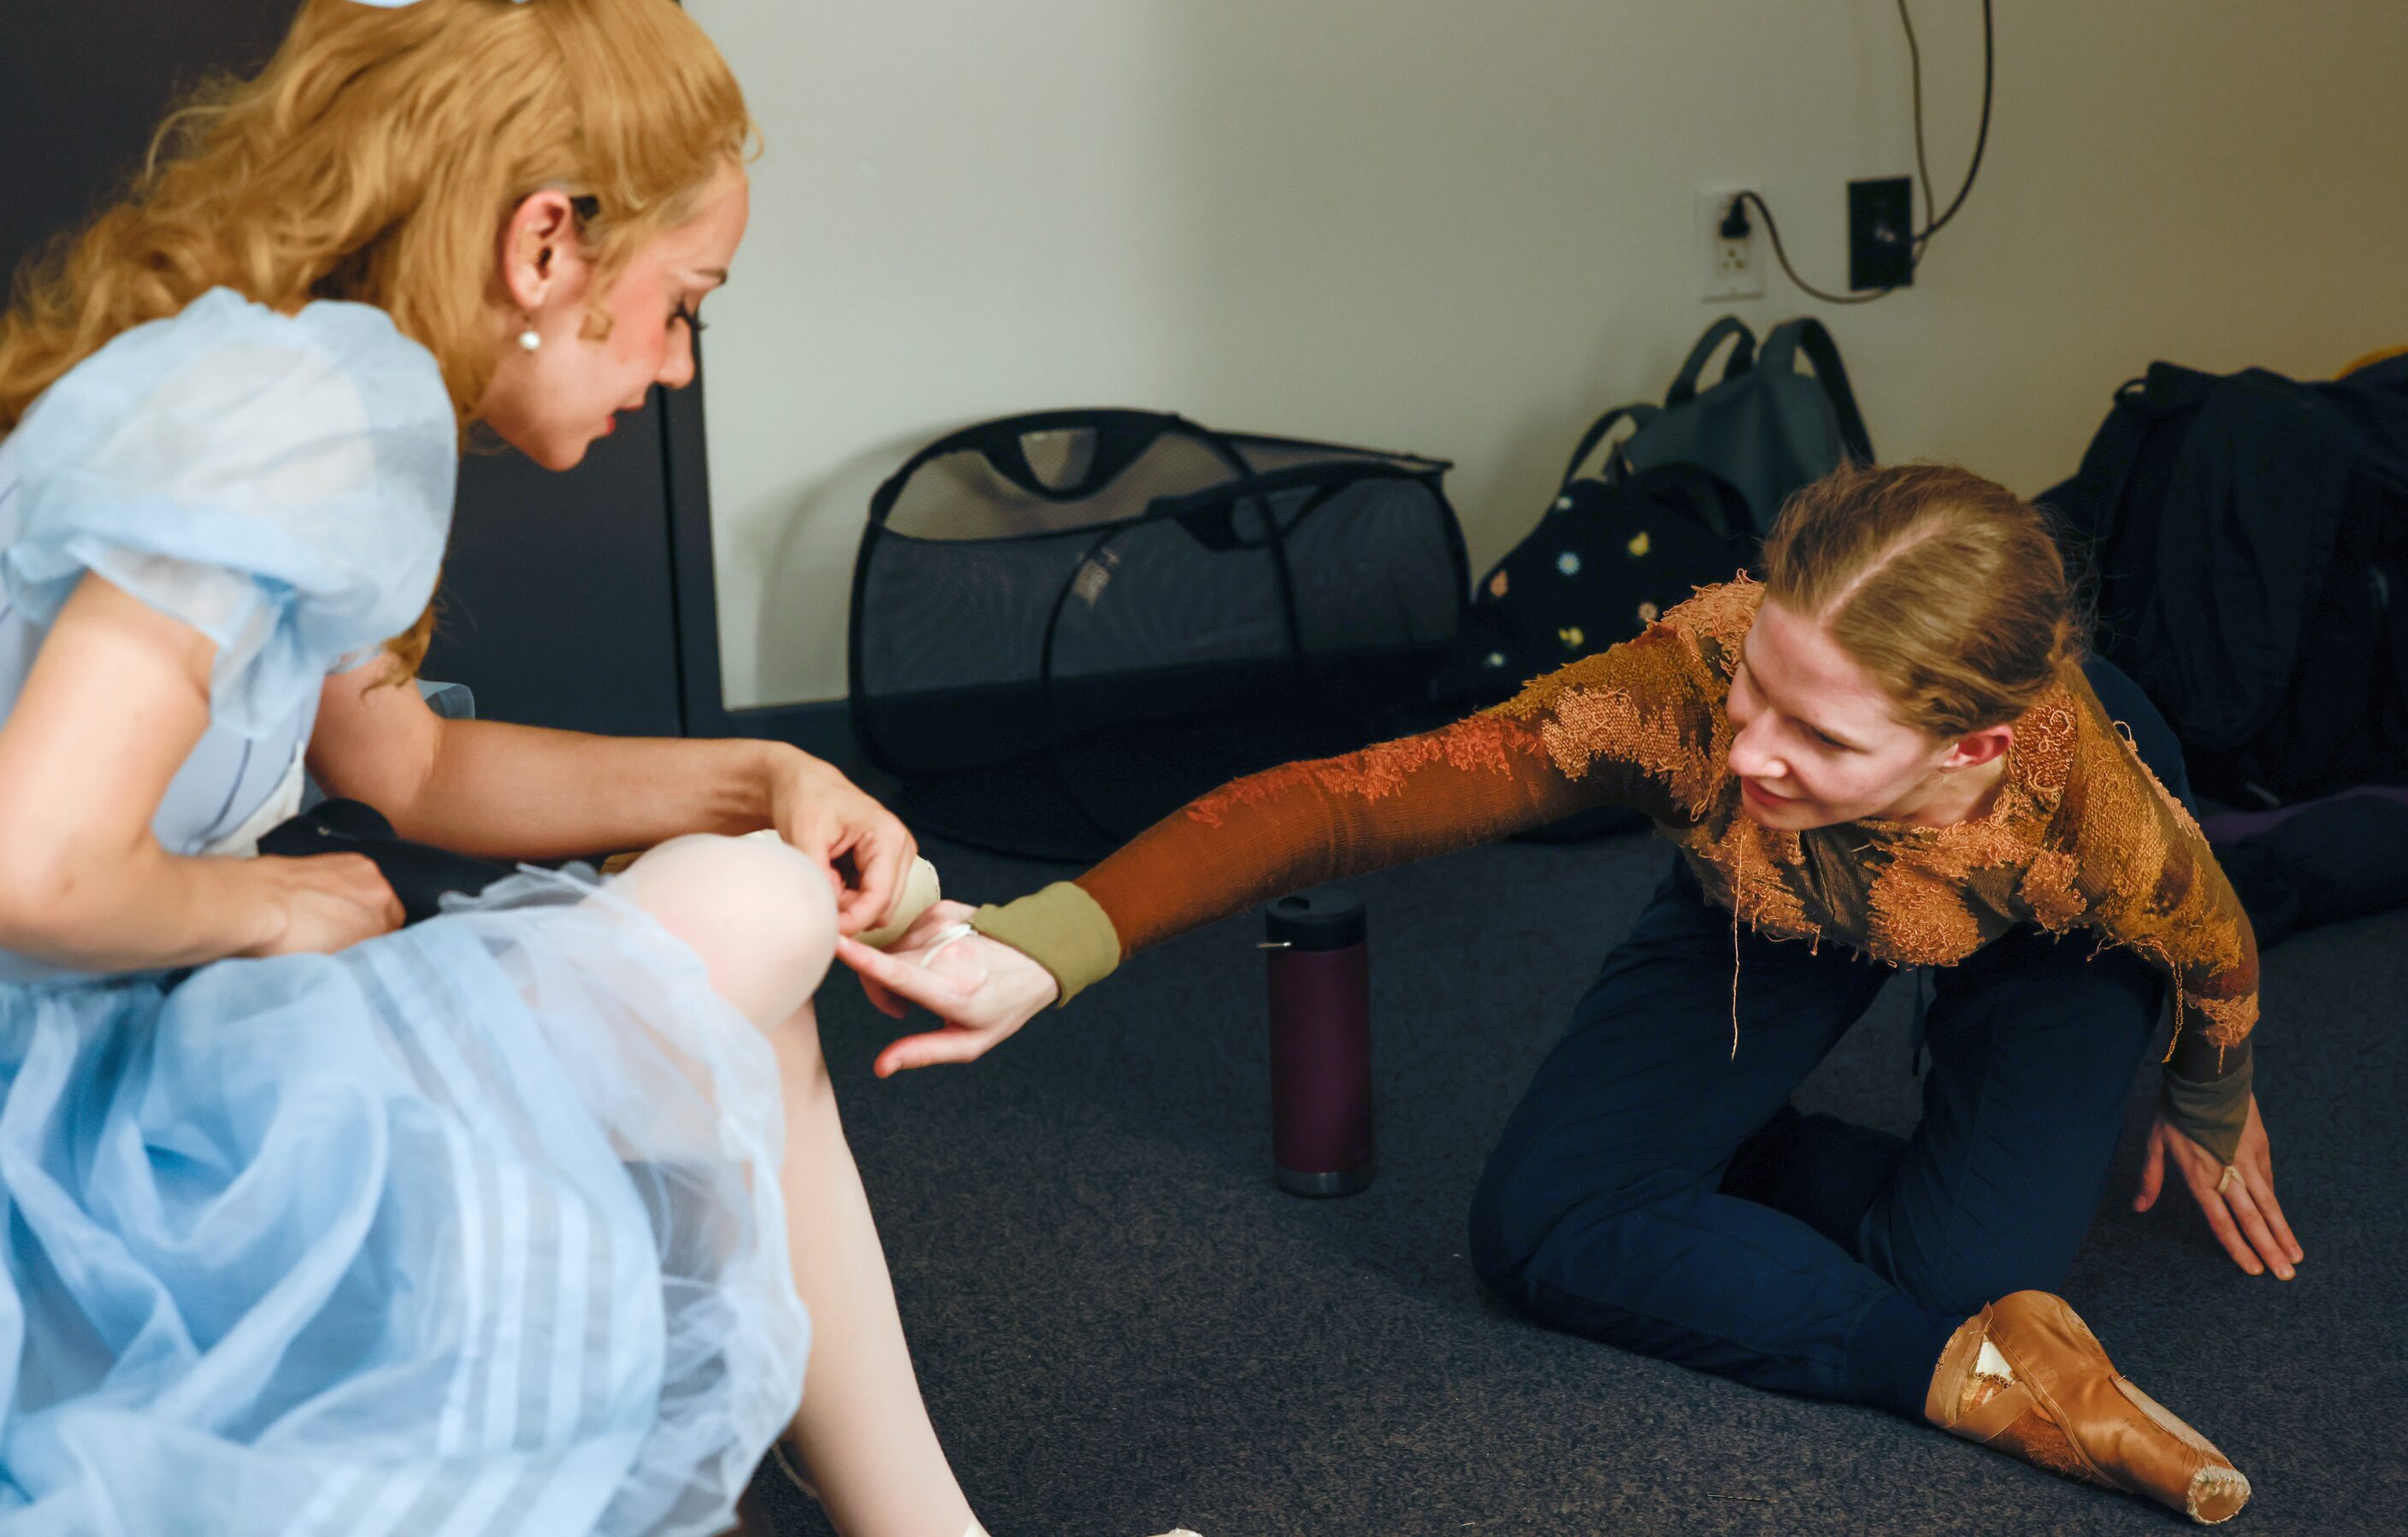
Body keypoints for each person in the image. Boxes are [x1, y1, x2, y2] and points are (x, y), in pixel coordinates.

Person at [0, 0, 998, 1533]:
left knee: (741, 988)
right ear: (548, 243)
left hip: (108, 1069)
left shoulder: (290, 368)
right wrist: (278, 905)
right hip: (74, 1137)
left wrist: (767, 773)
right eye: (683, 306)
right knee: (746, 918)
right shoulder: (309, 401)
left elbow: (410, 768)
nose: (673, 368)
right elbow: (33, 867)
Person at [845, 460, 2301, 1526]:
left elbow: (2218, 948)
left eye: (1814, 728)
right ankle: (1967, 1365)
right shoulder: (1684, 702)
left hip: (2042, 927)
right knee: (1540, 1221)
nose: (1748, 743)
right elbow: (1345, 803)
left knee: (1960, 1258)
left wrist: (2209, 1095)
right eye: (1759, 688)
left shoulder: (2101, 819)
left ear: (1972, 749)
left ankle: (1942, 1257)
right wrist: (1052, 937)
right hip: (1784, 887)